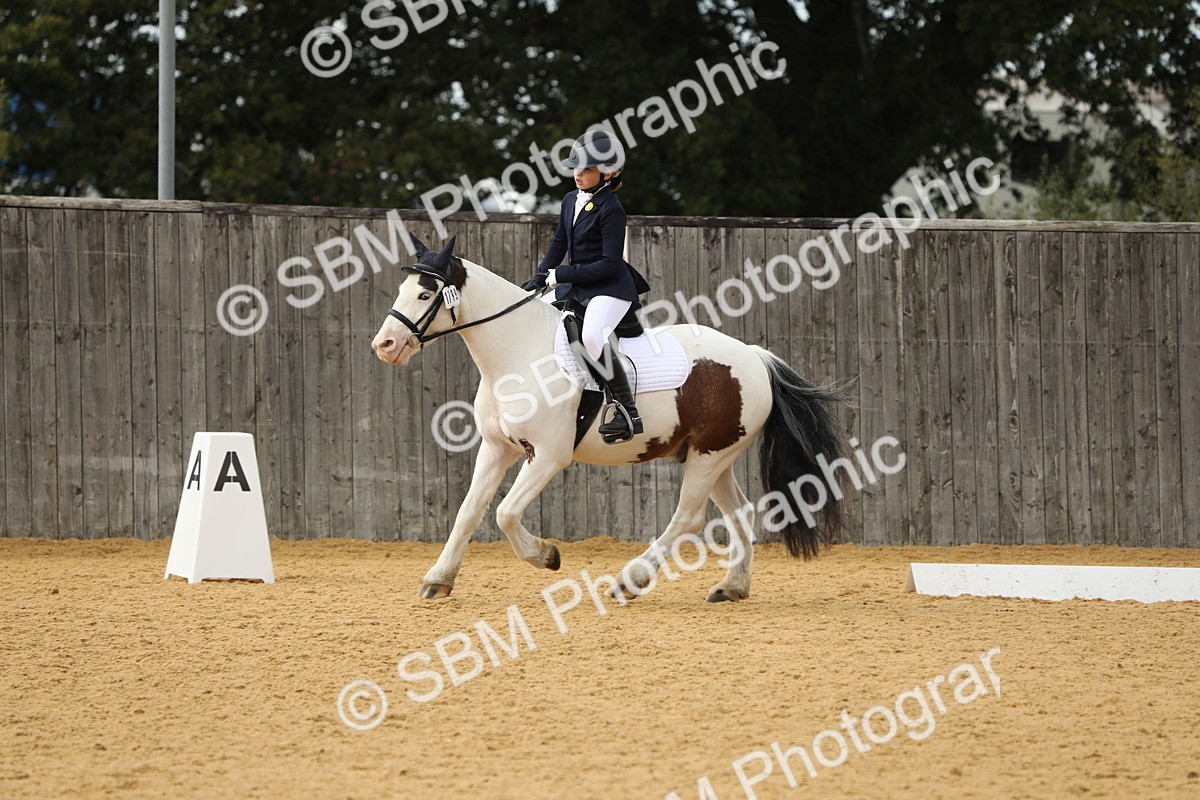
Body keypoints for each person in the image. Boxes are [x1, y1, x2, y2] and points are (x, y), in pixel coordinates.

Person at [522, 130, 651, 443]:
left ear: (607, 172)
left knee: (592, 335)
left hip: (610, 287)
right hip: (579, 284)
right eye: (576, 167)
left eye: (587, 169)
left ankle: (625, 409)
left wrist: (563, 274)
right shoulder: (570, 200)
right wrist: (541, 275)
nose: (578, 173)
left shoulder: (612, 209)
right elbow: (559, 241)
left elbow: (610, 263)